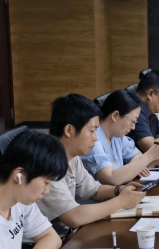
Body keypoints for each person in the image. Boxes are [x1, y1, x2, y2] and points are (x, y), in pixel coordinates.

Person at [0, 130, 119, 249]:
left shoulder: (21, 200)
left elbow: (51, 238)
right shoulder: (21, 197)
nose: (47, 191)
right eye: (46, 182)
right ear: (19, 175)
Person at [35, 94, 146, 237]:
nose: (96, 138)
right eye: (92, 131)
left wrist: (120, 190)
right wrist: (121, 201)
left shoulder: (72, 158)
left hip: (66, 236)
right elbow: (74, 217)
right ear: (69, 130)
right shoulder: (47, 164)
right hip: (52, 241)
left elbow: (95, 191)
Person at [81, 90, 159, 185]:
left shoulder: (116, 135)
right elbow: (110, 178)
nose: (133, 127)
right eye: (132, 121)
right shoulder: (93, 139)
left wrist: (136, 166)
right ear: (115, 116)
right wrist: (149, 156)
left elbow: (136, 154)